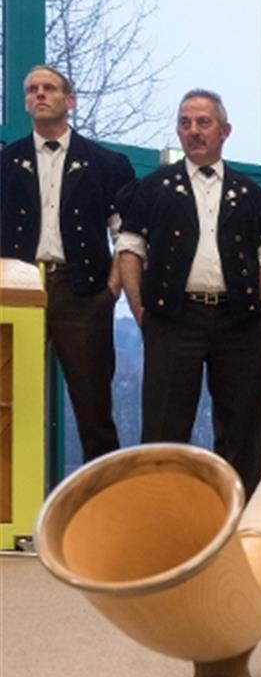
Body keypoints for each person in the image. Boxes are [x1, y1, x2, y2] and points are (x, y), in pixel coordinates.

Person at [117, 89, 261, 497]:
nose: (193, 131)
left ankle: (240, 514)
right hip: (173, 318)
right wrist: (140, 310)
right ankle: (162, 511)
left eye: (203, 122)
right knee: (164, 424)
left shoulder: (252, 193)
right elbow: (130, 249)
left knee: (242, 425)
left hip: (238, 320)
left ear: (224, 130)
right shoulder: (151, 188)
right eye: (185, 123)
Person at [0, 65, 134, 461]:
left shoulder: (108, 164)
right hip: (18, 292)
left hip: (83, 292)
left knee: (94, 412)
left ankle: (103, 511)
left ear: (69, 101)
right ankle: (10, 514)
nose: (39, 94)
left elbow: (125, 235)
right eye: (32, 89)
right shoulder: (6, 164)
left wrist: (111, 290)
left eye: (49, 88)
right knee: (10, 404)